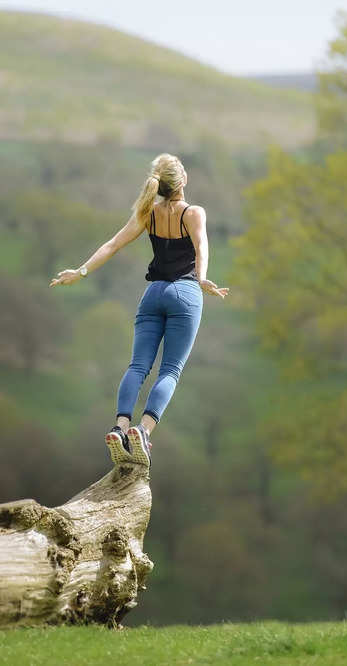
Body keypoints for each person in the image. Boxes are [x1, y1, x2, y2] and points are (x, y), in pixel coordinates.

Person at [49, 153, 229, 467]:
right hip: (184, 294)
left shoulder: (149, 213)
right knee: (170, 370)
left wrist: (81, 272)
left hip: (153, 295)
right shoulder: (194, 212)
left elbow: (112, 244)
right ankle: (143, 431)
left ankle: (119, 428)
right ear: (182, 181)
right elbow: (201, 246)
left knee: (137, 367)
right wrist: (201, 279)